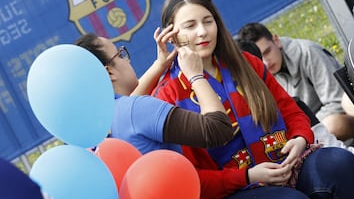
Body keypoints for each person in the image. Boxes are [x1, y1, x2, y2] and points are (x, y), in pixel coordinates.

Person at [151, 0, 354, 199]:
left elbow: (291, 111)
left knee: (341, 163)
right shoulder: (167, 97)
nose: (202, 31)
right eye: (190, 25)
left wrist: (300, 139)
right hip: (229, 193)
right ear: (171, 35)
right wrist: (248, 176)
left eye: (208, 21)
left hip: (285, 165)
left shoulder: (247, 63)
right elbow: (191, 178)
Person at [74, 26, 234, 155]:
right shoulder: (135, 110)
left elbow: (127, 111)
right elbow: (218, 130)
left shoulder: (91, 129)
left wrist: (160, 65)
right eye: (120, 54)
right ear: (109, 73)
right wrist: (195, 75)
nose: (127, 60)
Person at [237, 39, 354, 159]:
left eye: (267, 51)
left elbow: (336, 150)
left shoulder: (307, 53)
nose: (267, 63)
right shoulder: (234, 126)